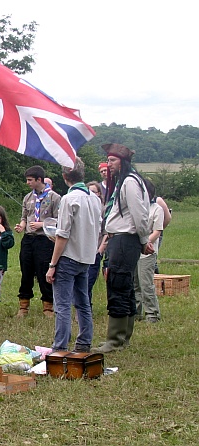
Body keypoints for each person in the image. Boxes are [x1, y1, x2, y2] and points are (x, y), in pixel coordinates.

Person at [93, 143, 152, 354]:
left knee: (118, 283)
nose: (109, 165)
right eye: (108, 160)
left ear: (123, 162)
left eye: (112, 160)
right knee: (124, 286)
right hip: (121, 239)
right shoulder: (127, 181)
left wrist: (144, 240)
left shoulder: (130, 182)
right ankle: (123, 337)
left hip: (126, 239)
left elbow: (140, 214)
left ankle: (115, 339)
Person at [45, 157, 102, 353]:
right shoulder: (94, 198)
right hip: (86, 257)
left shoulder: (68, 199)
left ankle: (60, 346)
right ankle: (84, 342)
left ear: (64, 176)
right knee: (82, 302)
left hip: (68, 258)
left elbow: (62, 235)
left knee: (62, 305)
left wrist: (52, 265)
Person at [14, 165, 60, 317]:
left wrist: (42, 224)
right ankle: (23, 305)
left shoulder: (54, 197)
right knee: (26, 272)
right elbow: (24, 217)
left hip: (44, 240)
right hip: (28, 239)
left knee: (43, 273)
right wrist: (21, 226)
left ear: (39, 179)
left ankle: (48, 306)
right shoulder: (28, 197)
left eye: (30, 180)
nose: (27, 183)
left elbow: (59, 221)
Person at [133, 178, 164, 323]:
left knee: (146, 285)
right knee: (135, 284)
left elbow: (157, 231)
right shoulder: (137, 208)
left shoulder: (156, 209)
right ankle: (136, 311)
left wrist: (145, 243)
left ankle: (152, 314)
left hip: (148, 253)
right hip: (133, 252)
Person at [86, 181, 106, 303]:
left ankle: (85, 310)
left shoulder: (103, 209)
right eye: (89, 192)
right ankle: (82, 309)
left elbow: (106, 232)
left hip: (96, 250)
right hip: (83, 250)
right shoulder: (84, 207)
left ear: (99, 194)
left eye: (94, 192)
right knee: (82, 283)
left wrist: (100, 250)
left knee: (89, 281)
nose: (91, 194)